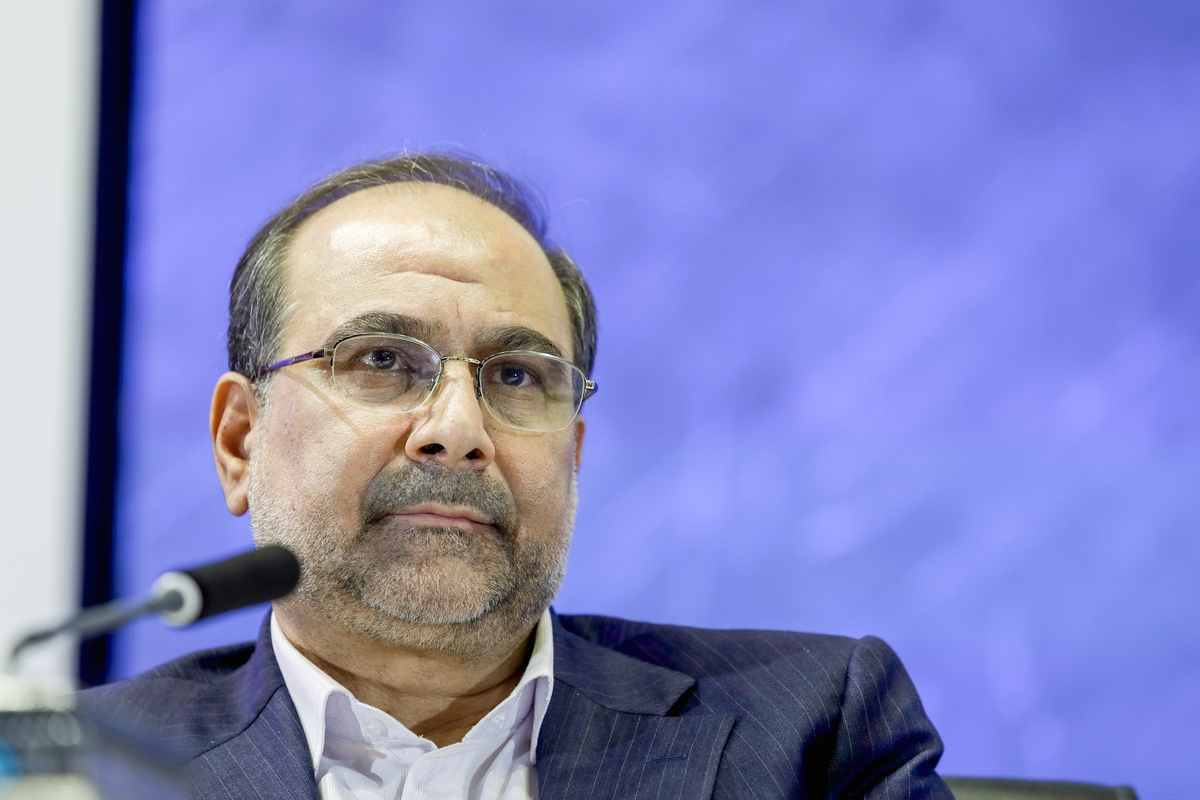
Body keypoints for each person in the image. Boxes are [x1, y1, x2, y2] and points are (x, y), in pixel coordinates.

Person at [81, 153, 952, 799]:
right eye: (382, 360)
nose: (458, 431)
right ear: (241, 442)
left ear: (572, 454)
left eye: (515, 376)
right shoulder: (75, 768)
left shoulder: (810, 734)